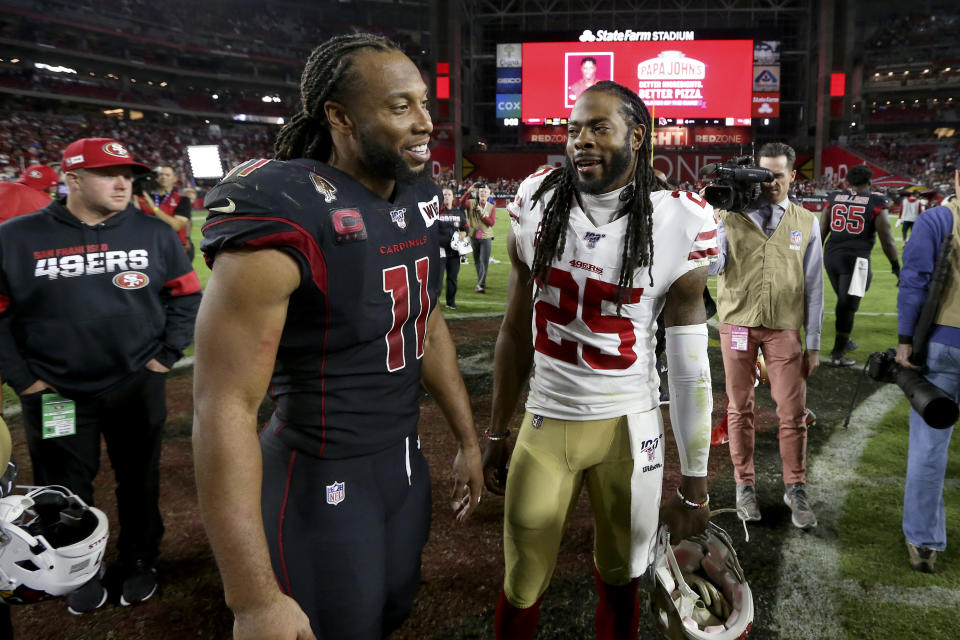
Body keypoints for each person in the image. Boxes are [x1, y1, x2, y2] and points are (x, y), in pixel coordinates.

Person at [193, 33, 484, 640]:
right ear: (340, 116)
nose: (425, 123)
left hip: (404, 461)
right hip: (320, 469)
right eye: (400, 107)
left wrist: (467, 439)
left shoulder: (419, 195)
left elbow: (425, 319)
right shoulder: (287, 208)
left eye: (425, 105)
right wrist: (250, 597)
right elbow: (223, 404)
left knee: (392, 609)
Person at [483, 80, 716, 639]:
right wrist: (495, 430)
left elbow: (687, 367)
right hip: (548, 416)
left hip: (629, 429)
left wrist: (696, 481)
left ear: (638, 136)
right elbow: (515, 330)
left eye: (598, 128)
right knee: (522, 580)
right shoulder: (537, 199)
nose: (581, 141)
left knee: (623, 578)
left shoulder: (679, 219)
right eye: (573, 130)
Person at [0, 137, 202, 614]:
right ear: (72, 179)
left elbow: (187, 296)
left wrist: (163, 358)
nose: (123, 183)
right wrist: (25, 380)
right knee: (63, 488)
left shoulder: (153, 233)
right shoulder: (15, 236)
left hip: (135, 385)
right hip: (54, 394)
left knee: (139, 479)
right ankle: (76, 571)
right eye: (109, 174)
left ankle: (139, 560)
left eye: (129, 175)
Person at [708, 142, 824, 529]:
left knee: (792, 414)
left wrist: (816, 342)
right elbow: (713, 266)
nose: (771, 181)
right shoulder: (727, 215)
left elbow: (815, 287)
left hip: (785, 328)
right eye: (764, 173)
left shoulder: (807, 222)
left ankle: (796, 487)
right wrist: (702, 229)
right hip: (738, 324)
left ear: (793, 175)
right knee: (739, 409)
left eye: (778, 174)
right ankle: (745, 485)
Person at [896, 169, 960, 574]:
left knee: (929, 449)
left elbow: (914, 282)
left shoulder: (939, 219)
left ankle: (923, 541)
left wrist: (906, 339)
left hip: (943, 344)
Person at [821, 164, 900, 367]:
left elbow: (822, 229)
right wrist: (896, 266)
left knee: (844, 300)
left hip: (831, 257)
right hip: (857, 261)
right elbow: (887, 239)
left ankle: (844, 341)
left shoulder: (835, 197)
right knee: (847, 306)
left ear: (848, 182)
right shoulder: (875, 200)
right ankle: (838, 353)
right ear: (870, 182)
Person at [135, 165, 192, 260]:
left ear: (175, 179)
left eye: (167, 175)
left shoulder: (182, 200)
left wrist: (154, 208)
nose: (163, 177)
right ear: (157, 178)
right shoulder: (142, 198)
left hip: (174, 249)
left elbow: (176, 226)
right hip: (148, 248)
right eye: (161, 174)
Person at [438, 186, 469, 309]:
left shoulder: (458, 212)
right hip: (439, 250)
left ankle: (450, 303)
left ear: (453, 197)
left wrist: (464, 233)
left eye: (448, 194)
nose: (446, 196)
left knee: (453, 278)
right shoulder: (435, 212)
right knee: (437, 280)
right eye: (444, 194)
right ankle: (434, 305)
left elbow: (465, 227)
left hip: (454, 251)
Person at [463, 182, 496, 293]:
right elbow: (460, 204)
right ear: (477, 193)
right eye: (481, 191)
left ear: (489, 194)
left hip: (486, 236)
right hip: (473, 235)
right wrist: (467, 191)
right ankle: (481, 282)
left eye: (485, 192)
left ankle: (480, 284)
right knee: (477, 261)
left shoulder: (491, 206)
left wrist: (482, 214)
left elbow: (491, 223)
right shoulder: (471, 203)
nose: (482, 193)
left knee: (484, 261)